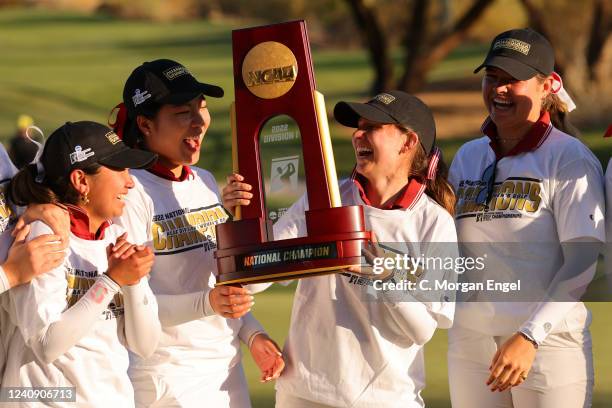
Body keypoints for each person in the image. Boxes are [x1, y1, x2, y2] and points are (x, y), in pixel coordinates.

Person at [224, 91, 458, 407]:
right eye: (357, 126)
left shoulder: (433, 222)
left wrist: (385, 278)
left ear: (408, 142)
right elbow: (255, 276)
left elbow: (422, 331)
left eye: (372, 127)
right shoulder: (324, 200)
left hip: (384, 399)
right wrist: (240, 216)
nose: (357, 135)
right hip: (303, 393)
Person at [110, 59, 284, 407]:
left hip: (224, 370)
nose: (199, 121)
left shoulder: (203, 181)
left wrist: (252, 334)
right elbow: (129, 308)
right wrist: (208, 304)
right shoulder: (128, 192)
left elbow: (220, 285)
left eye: (201, 108)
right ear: (144, 123)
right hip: (165, 379)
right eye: (182, 112)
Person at [447, 28, 605, 407]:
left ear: (547, 85)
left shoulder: (569, 159)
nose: (499, 89)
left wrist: (531, 336)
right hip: (471, 345)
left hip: (547, 347)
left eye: (511, 80)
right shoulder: (469, 156)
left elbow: (582, 262)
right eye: (492, 78)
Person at [1, 121, 161, 406]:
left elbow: (146, 345)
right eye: (119, 169)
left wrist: (133, 283)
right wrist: (111, 281)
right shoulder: (42, 235)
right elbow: (47, 345)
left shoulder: (113, 235)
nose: (130, 181)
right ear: (81, 181)